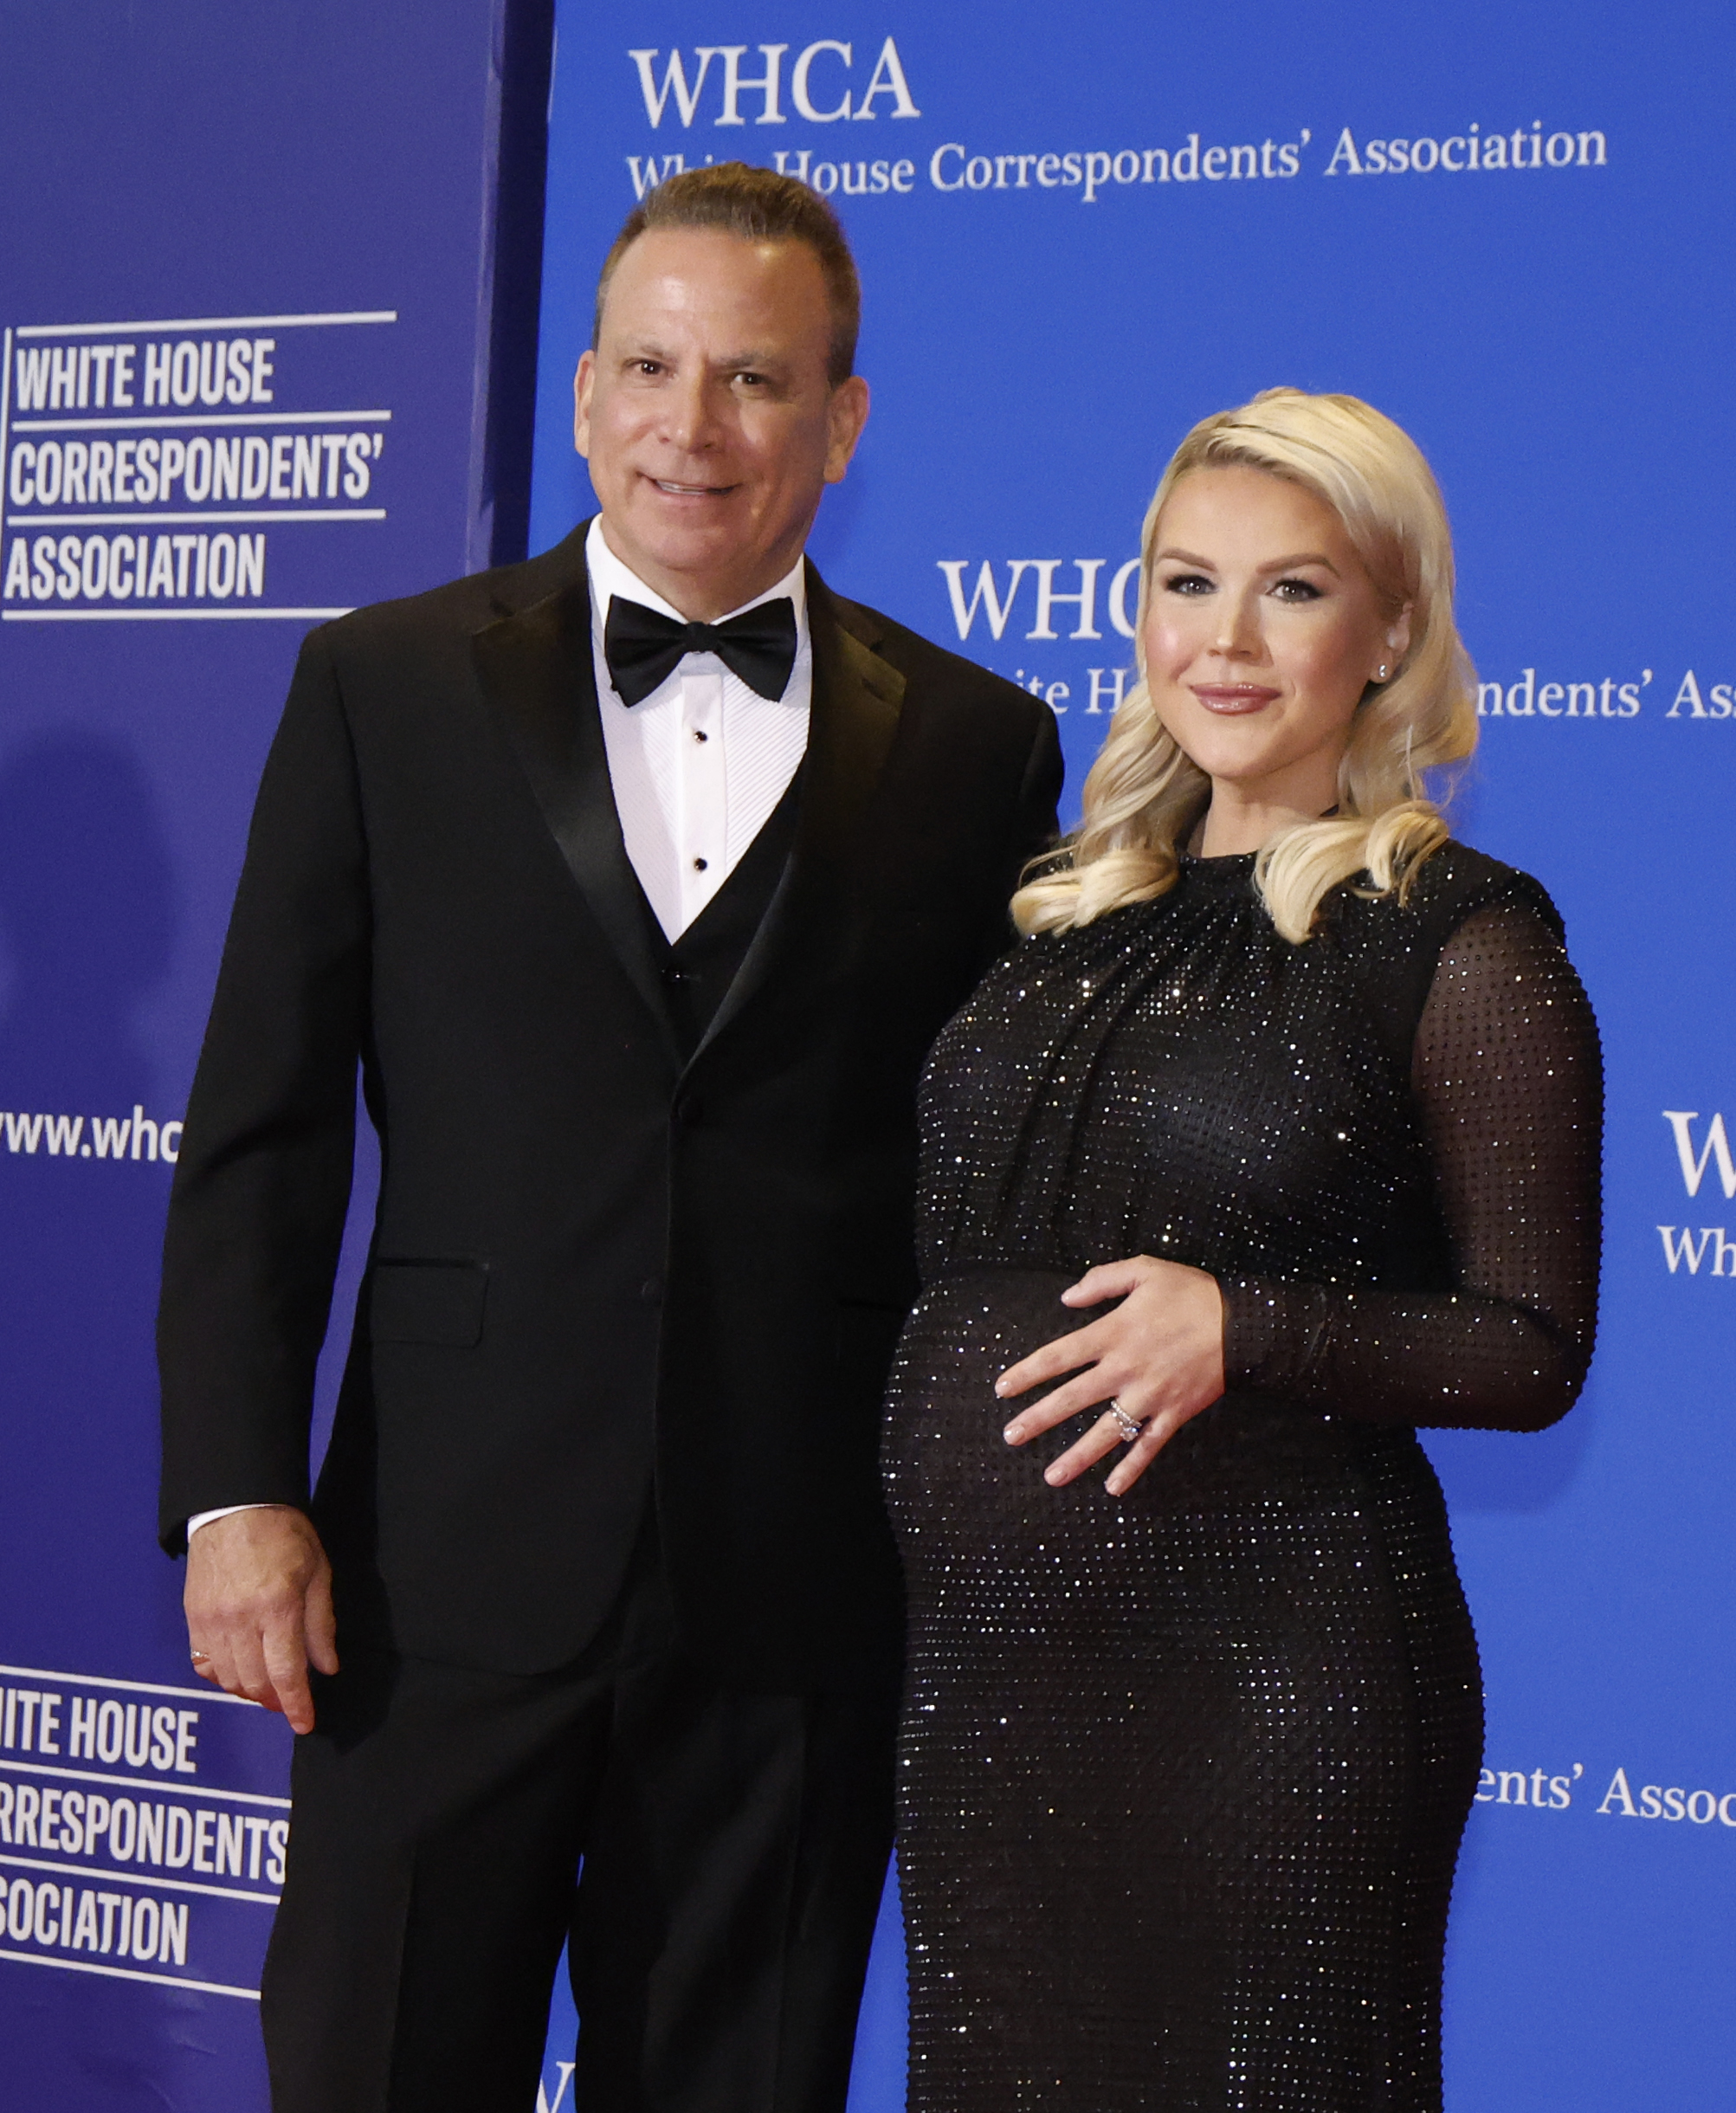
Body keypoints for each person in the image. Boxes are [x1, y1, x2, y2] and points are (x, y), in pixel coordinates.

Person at [156, 164, 1062, 2113]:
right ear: (580, 395)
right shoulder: (382, 684)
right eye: (649, 367)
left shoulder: (983, 746)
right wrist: (236, 1489)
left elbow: (985, 1187)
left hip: (794, 1588)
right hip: (426, 1583)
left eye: (753, 376)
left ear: (844, 419)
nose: (692, 424)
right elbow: (264, 1125)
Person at [883, 389, 1601, 2110]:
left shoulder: (1457, 931)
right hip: (992, 1697)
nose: (1222, 639)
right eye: (1184, 581)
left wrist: (1246, 1326)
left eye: (1291, 588)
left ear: (1393, 626)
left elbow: (1528, 1341)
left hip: (1274, 1696)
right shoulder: (1063, 905)